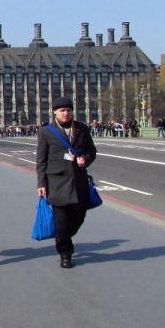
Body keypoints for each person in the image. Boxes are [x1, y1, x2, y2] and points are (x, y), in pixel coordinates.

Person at [36, 97, 98, 269]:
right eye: (62, 110)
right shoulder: (46, 131)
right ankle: (65, 254)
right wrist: (41, 183)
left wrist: (85, 159)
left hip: (78, 182)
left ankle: (63, 236)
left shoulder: (82, 129)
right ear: (55, 112)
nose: (66, 113)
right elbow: (41, 160)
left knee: (79, 216)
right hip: (56, 182)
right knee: (61, 221)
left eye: (68, 110)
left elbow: (92, 151)